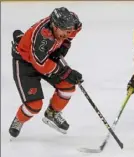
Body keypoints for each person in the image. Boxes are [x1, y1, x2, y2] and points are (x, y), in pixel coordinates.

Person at [9, 7, 83, 138]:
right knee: (34, 106)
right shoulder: (42, 37)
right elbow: (41, 65)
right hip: (25, 62)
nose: (67, 34)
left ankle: (52, 113)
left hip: (45, 57)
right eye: (63, 32)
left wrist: (65, 44)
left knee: (68, 87)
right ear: (54, 26)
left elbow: (75, 30)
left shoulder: (73, 22)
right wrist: (66, 72)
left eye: (68, 31)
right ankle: (19, 119)